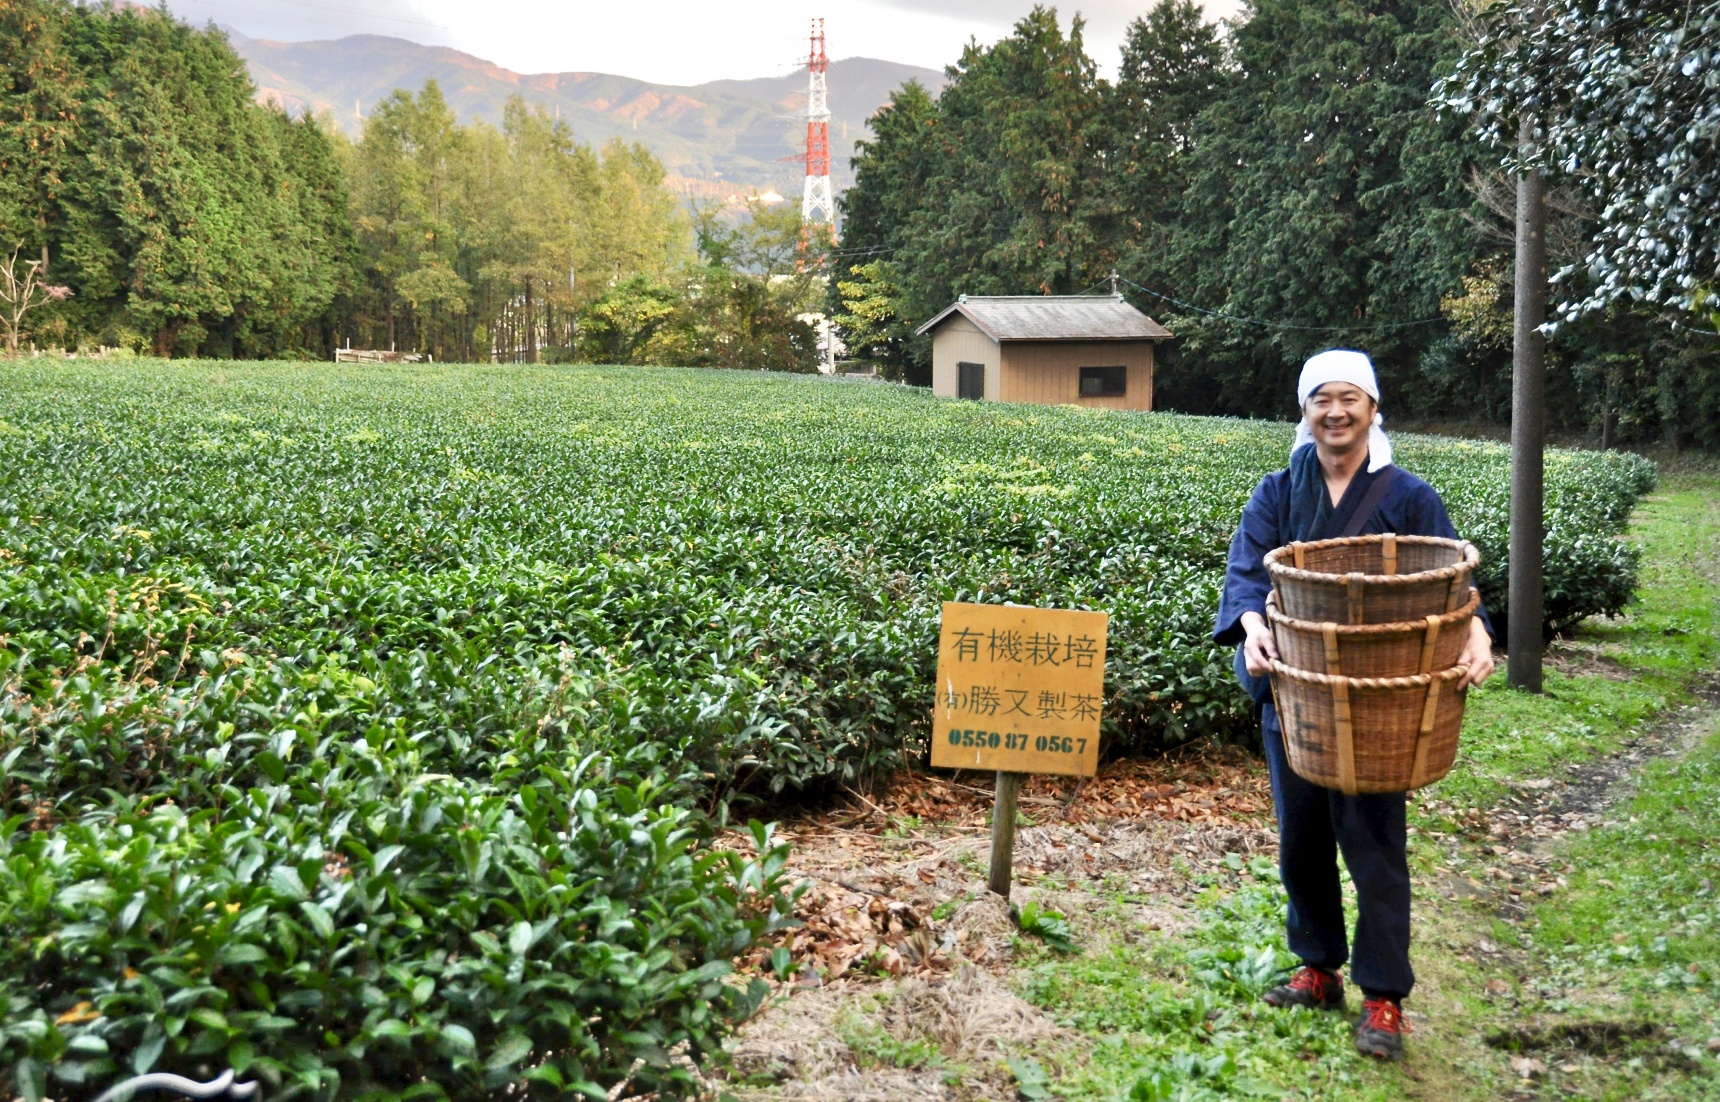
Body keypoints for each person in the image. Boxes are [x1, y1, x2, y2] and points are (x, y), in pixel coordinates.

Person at [1213, 349, 1496, 1060]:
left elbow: (1452, 585)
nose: (1335, 412)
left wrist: (1479, 633)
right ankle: (1317, 964)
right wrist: (1250, 630)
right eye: (1321, 401)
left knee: (1374, 846)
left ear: (1373, 409)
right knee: (1301, 839)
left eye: (1349, 399)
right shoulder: (1277, 491)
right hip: (1298, 694)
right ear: (1305, 413)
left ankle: (1383, 995)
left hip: (1380, 709)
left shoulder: (1410, 496)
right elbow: (1248, 575)